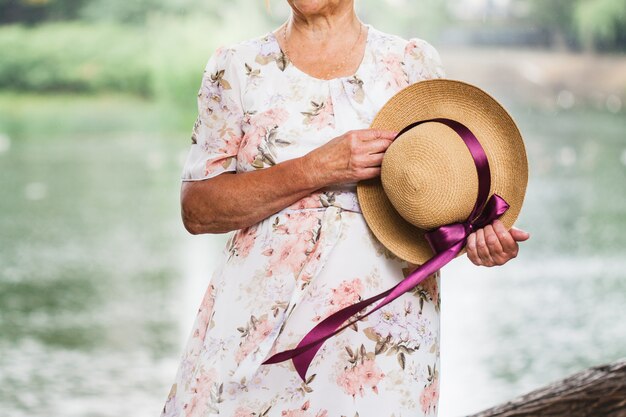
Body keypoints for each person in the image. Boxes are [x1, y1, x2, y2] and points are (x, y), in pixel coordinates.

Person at [160, 1, 530, 416]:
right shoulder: (237, 68)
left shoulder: (411, 63)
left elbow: (451, 199)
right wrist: (319, 166)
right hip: (255, 333)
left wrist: (480, 239)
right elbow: (198, 211)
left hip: (384, 341)